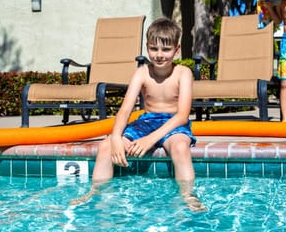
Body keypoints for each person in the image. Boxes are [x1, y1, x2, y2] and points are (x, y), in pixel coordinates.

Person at [71, 17, 205, 211]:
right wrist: (116, 137)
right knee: (106, 146)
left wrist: (150, 140)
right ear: (147, 48)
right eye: (154, 48)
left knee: (180, 147)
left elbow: (182, 116)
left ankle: (187, 194)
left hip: (173, 124)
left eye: (166, 50)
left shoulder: (183, 73)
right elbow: (125, 109)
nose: (159, 55)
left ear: (176, 50)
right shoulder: (142, 73)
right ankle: (97, 193)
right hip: (147, 121)